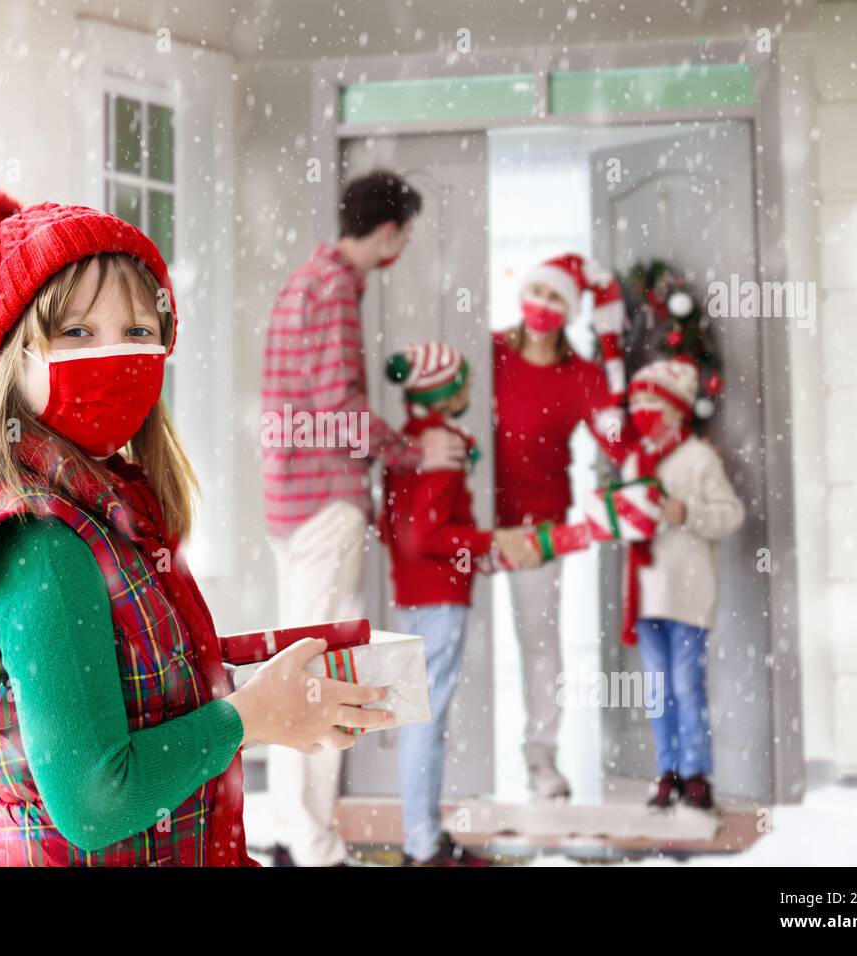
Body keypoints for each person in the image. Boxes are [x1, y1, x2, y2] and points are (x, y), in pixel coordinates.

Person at [0, 191, 392, 866]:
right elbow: (96, 800)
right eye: (77, 333)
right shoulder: (43, 544)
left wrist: (270, 682)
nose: (114, 354)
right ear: (11, 358)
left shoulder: (114, 510)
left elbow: (132, 680)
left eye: (139, 331)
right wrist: (252, 716)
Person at [260, 170, 468, 866]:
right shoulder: (334, 291)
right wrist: (411, 450)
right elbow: (338, 412)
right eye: (402, 236)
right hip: (323, 507)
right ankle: (312, 848)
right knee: (320, 674)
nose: (400, 249)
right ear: (387, 232)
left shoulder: (304, 282)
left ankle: (300, 836)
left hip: (293, 505)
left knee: (306, 662)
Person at [377, 342, 541, 866]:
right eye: (465, 382)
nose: (473, 390)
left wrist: (476, 548)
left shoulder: (408, 443)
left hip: (414, 591)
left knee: (418, 715)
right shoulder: (441, 446)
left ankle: (423, 838)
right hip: (439, 597)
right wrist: (487, 542)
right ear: (447, 391)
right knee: (426, 719)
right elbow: (426, 534)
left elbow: (393, 528)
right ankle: (423, 845)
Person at [492, 253, 632, 799]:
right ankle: (452, 760)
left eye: (556, 299)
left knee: (540, 644)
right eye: (538, 294)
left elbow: (619, 444)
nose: (543, 307)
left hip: (538, 527)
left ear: (570, 312)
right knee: (456, 642)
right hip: (470, 522)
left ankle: (541, 758)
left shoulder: (582, 377)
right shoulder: (490, 352)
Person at [620, 358, 745, 810]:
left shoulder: (699, 458)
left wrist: (688, 513)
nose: (642, 413)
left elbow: (731, 513)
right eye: (636, 404)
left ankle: (696, 771)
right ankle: (667, 768)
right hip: (647, 592)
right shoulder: (635, 459)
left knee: (686, 683)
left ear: (675, 408)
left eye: (652, 403)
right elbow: (625, 518)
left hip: (688, 594)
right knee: (657, 686)